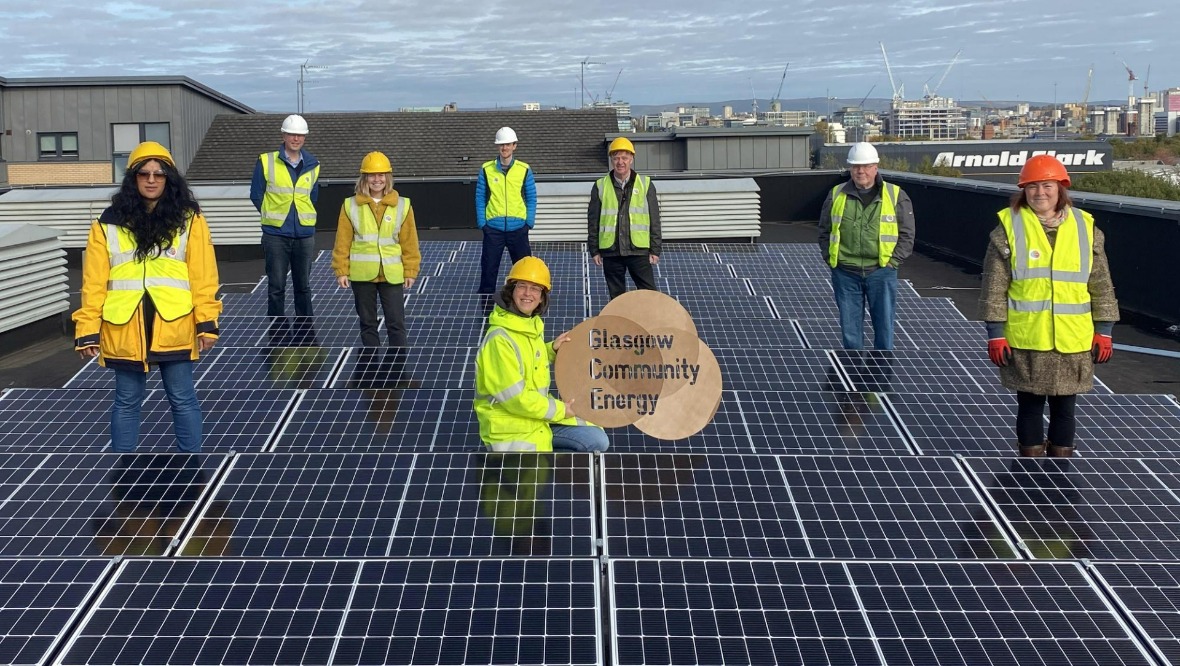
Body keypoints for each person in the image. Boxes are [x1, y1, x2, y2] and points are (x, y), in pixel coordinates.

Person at [72, 141, 221, 453]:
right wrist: (87, 329)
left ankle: (192, 469)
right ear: (133, 178)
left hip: (175, 324)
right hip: (125, 327)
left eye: (159, 174)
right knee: (126, 402)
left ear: (169, 179)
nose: (151, 180)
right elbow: (93, 283)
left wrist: (206, 322)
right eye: (144, 174)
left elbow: (203, 275)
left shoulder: (189, 220)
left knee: (183, 399)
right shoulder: (106, 223)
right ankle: (125, 471)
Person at [979, 155, 1118, 457]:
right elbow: (993, 287)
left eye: (1047, 185)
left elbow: (1101, 284)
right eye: (1032, 187)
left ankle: (1059, 469)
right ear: (1023, 190)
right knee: (1029, 407)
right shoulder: (1007, 229)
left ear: (1060, 189)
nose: (1039, 193)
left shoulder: (1086, 228)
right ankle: (1030, 469)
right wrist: (995, 332)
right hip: (1028, 339)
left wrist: (1104, 330)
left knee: (1065, 410)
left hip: (1073, 340)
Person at [474, 257, 609, 453]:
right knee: (541, 473)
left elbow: (526, 363)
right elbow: (516, 398)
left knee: (596, 439)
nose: (528, 294)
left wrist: (551, 350)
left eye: (536, 288)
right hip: (513, 430)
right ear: (511, 290)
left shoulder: (527, 325)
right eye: (522, 286)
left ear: (542, 296)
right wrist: (561, 410)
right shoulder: (499, 339)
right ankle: (551, 472)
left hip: (534, 418)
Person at [817, 142, 916, 350]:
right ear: (850, 168)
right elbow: (824, 229)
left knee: (884, 328)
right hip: (845, 272)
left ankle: (880, 375)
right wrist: (830, 258)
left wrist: (893, 262)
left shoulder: (896, 195)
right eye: (855, 166)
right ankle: (854, 375)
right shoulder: (836, 194)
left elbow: (907, 234)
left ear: (875, 167)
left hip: (881, 271)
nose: (860, 171)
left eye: (865, 166)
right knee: (850, 329)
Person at [332, 151, 421, 347]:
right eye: (372, 175)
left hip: (392, 274)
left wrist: (411, 271)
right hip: (362, 275)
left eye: (381, 175)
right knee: (367, 324)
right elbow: (342, 241)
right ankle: (372, 369)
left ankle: (398, 368)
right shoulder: (350, 205)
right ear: (364, 178)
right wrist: (341, 270)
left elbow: (409, 242)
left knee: (396, 323)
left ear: (388, 177)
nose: (377, 179)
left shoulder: (403, 205)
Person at [250, 114, 321, 316]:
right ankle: (277, 330)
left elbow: (312, 197)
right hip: (276, 235)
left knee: (303, 287)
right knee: (276, 287)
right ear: (283, 135)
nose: (296, 139)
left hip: (304, 235)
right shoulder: (266, 161)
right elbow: (256, 195)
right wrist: (273, 217)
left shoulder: (313, 164)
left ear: (304, 138)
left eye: (300, 135)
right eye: (292, 134)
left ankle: (305, 330)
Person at [588, 136, 662, 300]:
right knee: (616, 298)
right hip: (611, 251)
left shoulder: (645, 184)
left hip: (639, 250)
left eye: (624, 158)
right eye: (616, 158)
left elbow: (654, 219)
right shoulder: (600, 185)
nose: (620, 162)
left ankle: (650, 324)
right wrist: (594, 249)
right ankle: (620, 325)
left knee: (649, 295)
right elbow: (593, 221)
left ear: (632, 159)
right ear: (611, 160)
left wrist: (655, 249)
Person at [476, 127, 535, 294]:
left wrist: (528, 222)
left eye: (508, 144)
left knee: (524, 273)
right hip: (493, 229)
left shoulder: (524, 169)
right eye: (501, 145)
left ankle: (523, 309)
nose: (505, 148)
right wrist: (483, 224)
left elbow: (531, 197)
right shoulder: (486, 169)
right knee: (488, 272)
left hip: (518, 229)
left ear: (514, 146)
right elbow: (480, 197)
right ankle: (485, 314)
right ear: (497, 147)